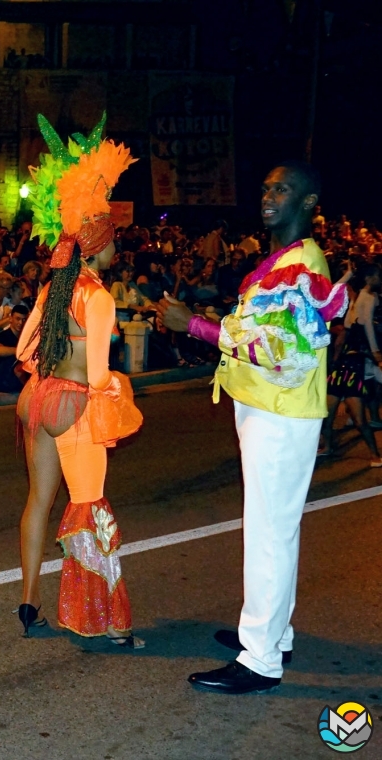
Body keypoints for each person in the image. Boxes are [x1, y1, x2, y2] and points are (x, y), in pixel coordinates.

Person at [159, 161, 350, 694]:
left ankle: (260, 658)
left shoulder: (304, 265)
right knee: (273, 531)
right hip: (268, 408)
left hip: (280, 411)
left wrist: (193, 326)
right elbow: (260, 328)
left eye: (282, 189)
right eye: (265, 187)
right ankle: (273, 633)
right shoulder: (282, 262)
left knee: (268, 534)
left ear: (309, 203)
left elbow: (280, 351)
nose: (268, 196)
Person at [15, 113, 143, 648]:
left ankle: (28, 602)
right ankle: (106, 622)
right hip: (72, 407)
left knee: (38, 501)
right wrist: (118, 388)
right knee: (89, 508)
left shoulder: (53, 289)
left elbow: (25, 349)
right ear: (98, 247)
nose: (119, 249)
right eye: (115, 239)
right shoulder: (100, 297)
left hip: (36, 400)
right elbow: (96, 377)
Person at [320, 263, 382, 466]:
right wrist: (375, 351)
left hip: (353, 362)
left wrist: (373, 352)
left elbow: (360, 326)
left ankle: (375, 455)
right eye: (377, 276)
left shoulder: (364, 299)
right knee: (328, 413)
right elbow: (365, 327)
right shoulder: (360, 298)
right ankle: (328, 447)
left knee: (357, 416)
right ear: (369, 278)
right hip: (349, 361)